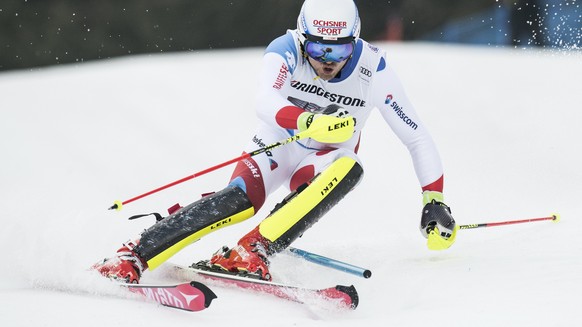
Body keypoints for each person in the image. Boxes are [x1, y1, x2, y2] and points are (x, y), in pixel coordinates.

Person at [93, 0, 457, 284]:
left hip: (324, 160)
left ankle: (252, 251)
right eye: (318, 50)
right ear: (302, 38)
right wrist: (308, 120)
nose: (327, 63)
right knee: (240, 201)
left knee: (351, 167)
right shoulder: (285, 48)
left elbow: (416, 135)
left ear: (355, 42)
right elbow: (265, 101)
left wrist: (434, 199)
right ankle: (132, 254)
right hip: (278, 143)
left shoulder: (373, 69)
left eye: (339, 52)